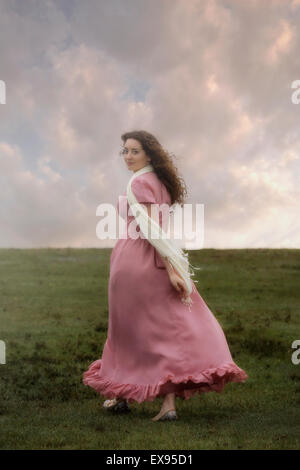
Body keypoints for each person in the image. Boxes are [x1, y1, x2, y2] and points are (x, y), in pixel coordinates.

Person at [83, 130, 248, 422]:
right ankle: (145, 400)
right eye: (124, 151)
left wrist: (173, 268)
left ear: (149, 153)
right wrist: (173, 264)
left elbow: (151, 232)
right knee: (155, 330)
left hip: (136, 260)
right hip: (149, 258)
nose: (128, 156)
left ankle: (135, 398)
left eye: (134, 151)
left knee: (128, 331)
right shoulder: (160, 183)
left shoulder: (139, 182)